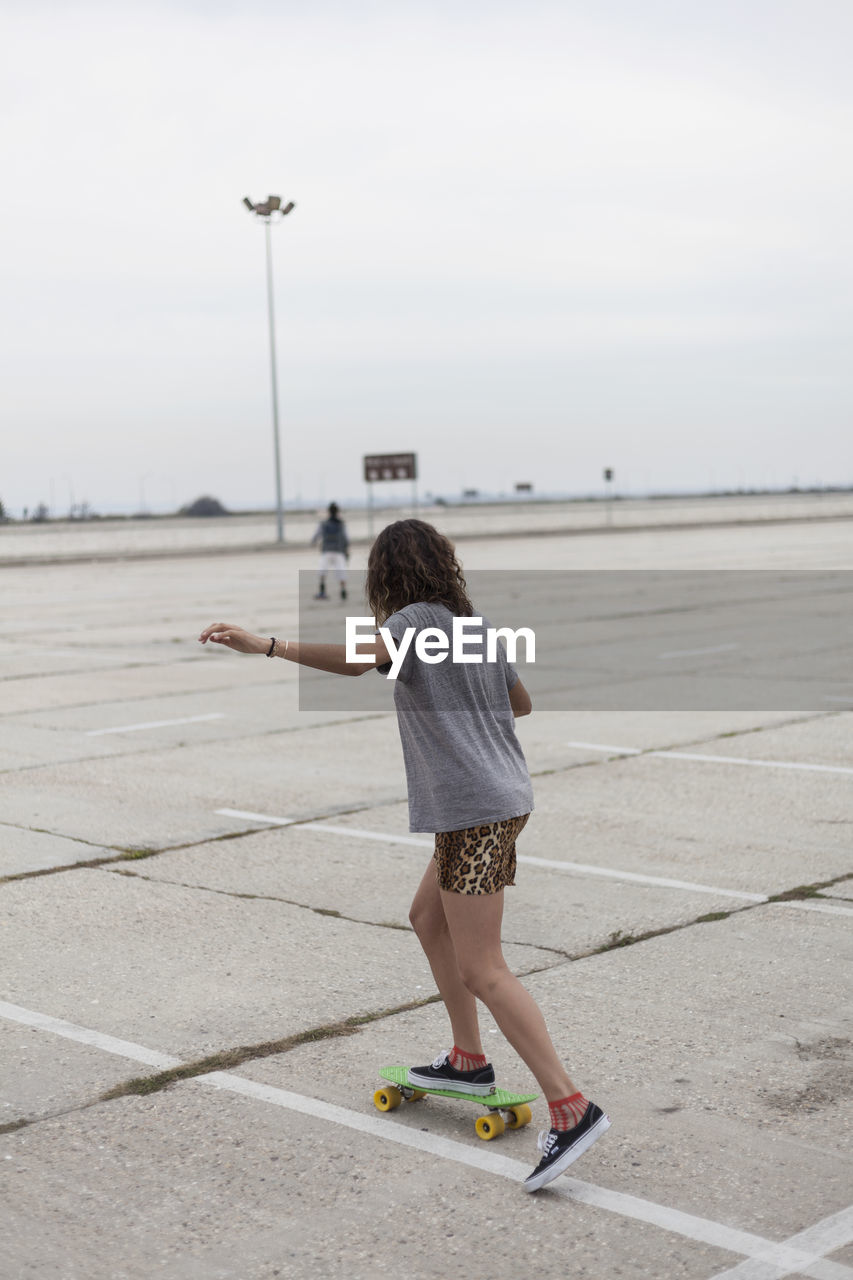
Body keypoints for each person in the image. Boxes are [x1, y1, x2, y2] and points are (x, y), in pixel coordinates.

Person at [198, 518, 609, 1192]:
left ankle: (571, 1107)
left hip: (475, 812)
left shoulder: (415, 622)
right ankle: (467, 1059)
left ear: (386, 574)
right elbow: (522, 704)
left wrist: (265, 645)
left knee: (485, 968)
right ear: (443, 564)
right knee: (427, 918)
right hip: (494, 801)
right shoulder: (474, 627)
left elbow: (360, 658)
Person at [310, 502, 349, 600]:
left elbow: (317, 534)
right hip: (338, 551)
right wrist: (346, 550)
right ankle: (343, 590)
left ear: (328, 512)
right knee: (341, 572)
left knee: (322, 572)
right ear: (337, 512)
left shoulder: (324, 523)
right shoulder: (341, 524)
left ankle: (322, 591)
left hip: (327, 550)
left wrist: (313, 542)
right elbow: (345, 538)